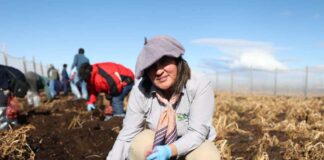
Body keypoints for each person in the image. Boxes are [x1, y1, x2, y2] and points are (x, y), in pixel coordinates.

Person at [107, 35, 221, 160]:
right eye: (152, 67)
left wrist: (169, 150)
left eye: (164, 62)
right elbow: (127, 136)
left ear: (177, 61)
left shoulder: (198, 83)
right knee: (139, 145)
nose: (158, 71)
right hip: (158, 144)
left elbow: (197, 132)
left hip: (193, 146)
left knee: (206, 155)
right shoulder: (140, 90)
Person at [0, 64, 29, 130]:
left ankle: (3, 129)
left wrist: (6, 92)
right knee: (9, 106)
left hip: (15, 82)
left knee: (2, 106)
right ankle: (13, 123)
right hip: (13, 81)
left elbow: (4, 86)